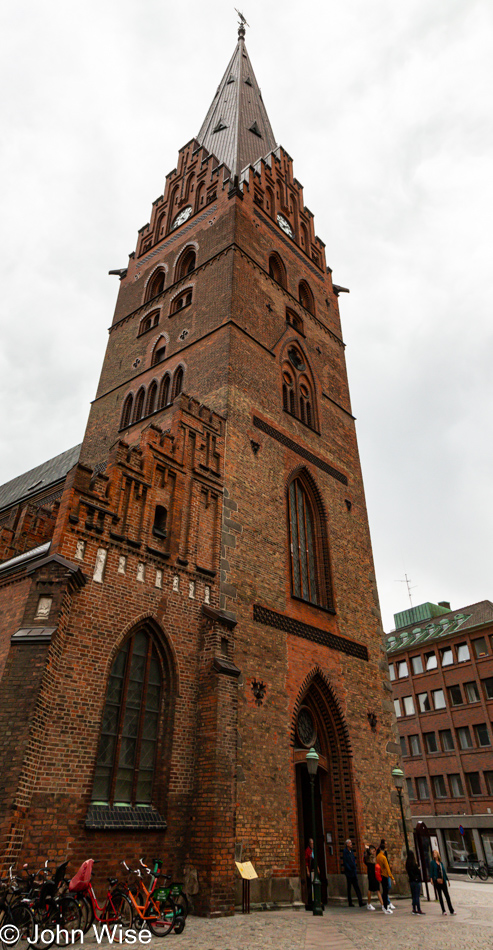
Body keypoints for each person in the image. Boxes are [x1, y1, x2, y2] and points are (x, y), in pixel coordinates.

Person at [430, 849, 456, 915]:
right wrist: (431, 879)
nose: (435, 854)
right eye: (434, 853)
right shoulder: (432, 863)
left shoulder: (441, 863)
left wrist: (447, 880)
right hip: (437, 881)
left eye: (435, 853)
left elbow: (443, 872)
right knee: (440, 896)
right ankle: (443, 910)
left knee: (447, 896)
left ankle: (451, 910)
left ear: (438, 854)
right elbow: (431, 871)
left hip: (443, 880)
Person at [343, 839, 364, 907]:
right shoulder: (345, 851)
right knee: (349, 887)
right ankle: (350, 902)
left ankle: (360, 901)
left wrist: (354, 868)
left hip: (353, 872)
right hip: (349, 872)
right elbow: (345, 862)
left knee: (356, 886)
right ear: (347, 844)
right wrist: (349, 869)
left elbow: (353, 860)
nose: (351, 844)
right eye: (350, 843)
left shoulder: (351, 851)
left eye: (351, 843)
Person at [363, 845, 384, 911]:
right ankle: (382, 905)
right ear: (370, 851)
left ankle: (371, 904)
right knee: (374, 890)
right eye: (373, 851)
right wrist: (367, 849)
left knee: (374, 890)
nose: (374, 852)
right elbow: (366, 855)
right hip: (372, 875)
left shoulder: (372, 858)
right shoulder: (369, 858)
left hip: (373, 875)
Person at [376, 845, 395, 913]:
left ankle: (384, 907)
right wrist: (392, 877)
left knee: (384, 891)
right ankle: (386, 907)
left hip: (380, 875)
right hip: (384, 875)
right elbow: (387, 868)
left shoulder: (377, 856)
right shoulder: (383, 857)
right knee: (385, 892)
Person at [405, 850, 425, 916]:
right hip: (416, 881)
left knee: (413, 896)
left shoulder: (407, 864)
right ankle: (418, 909)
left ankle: (414, 908)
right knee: (417, 896)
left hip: (411, 881)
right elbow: (418, 872)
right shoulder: (414, 863)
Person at [305, 838, 314, 909]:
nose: (312, 845)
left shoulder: (313, 850)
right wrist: (307, 870)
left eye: (313, 843)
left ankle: (315, 899)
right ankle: (309, 900)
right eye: (311, 843)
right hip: (310, 869)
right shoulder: (307, 851)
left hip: (314, 870)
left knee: (315, 885)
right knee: (310, 885)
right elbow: (306, 862)